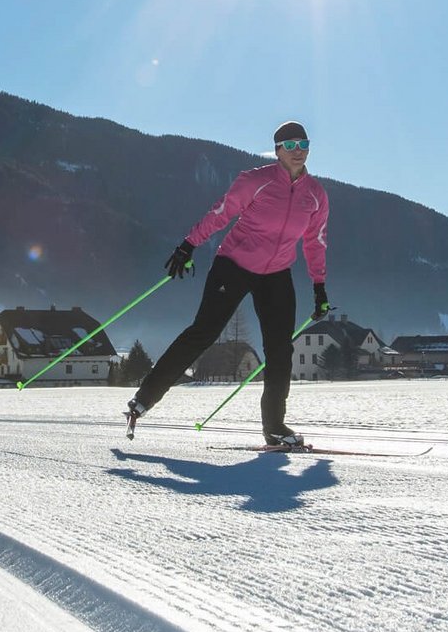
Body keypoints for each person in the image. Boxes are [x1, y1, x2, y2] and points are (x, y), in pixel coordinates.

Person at [126, 121, 332, 448]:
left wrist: (319, 288)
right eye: (290, 145)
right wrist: (188, 244)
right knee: (203, 333)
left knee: (280, 350)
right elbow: (220, 213)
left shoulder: (316, 196)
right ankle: (144, 398)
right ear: (277, 149)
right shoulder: (256, 181)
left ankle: (275, 428)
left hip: (277, 273)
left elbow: (315, 243)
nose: (299, 151)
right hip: (234, 264)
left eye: (304, 144)